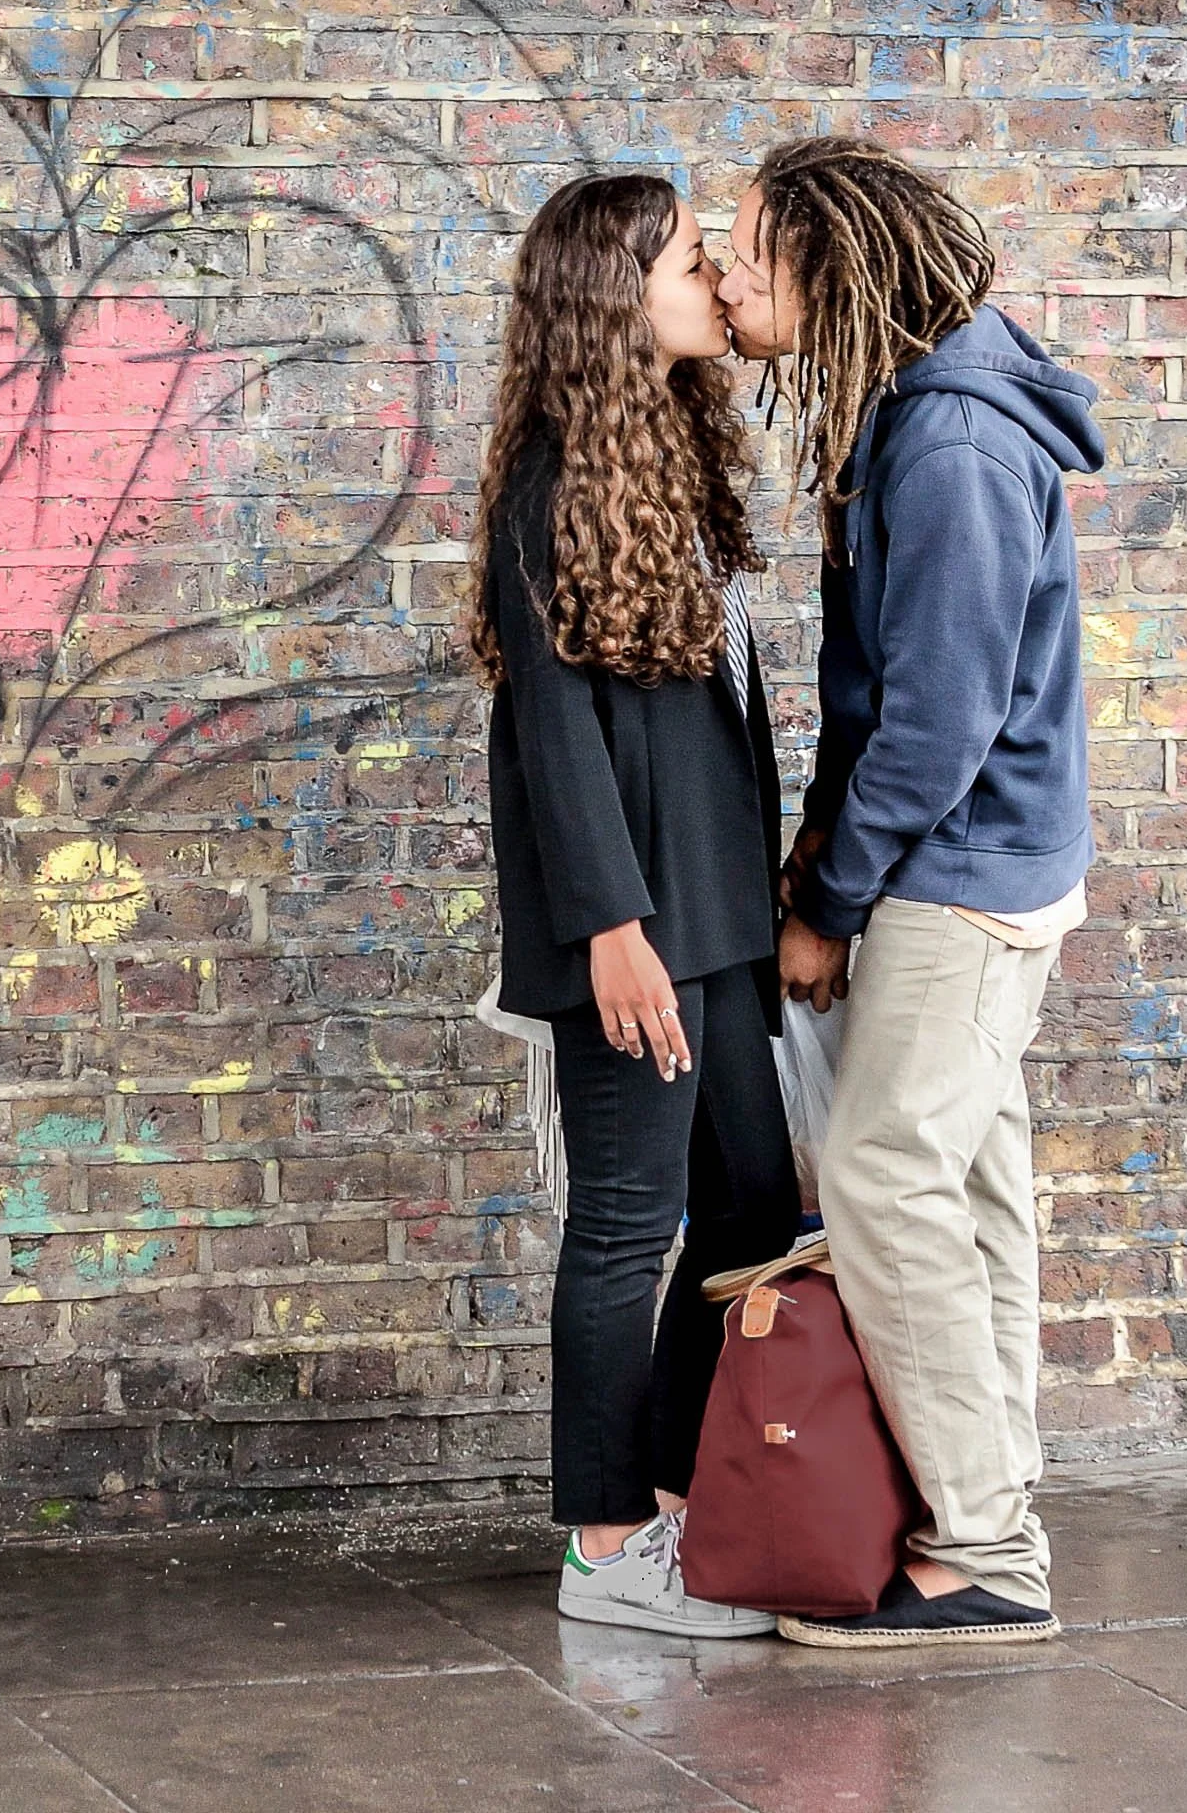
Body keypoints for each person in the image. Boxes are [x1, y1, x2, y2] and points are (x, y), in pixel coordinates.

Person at [716, 136, 1104, 1647]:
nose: (730, 272)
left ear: (834, 263)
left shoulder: (944, 445)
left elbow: (937, 721)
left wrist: (829, 899)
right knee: (969, 1186)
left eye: (752, 247)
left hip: (960, 880)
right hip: (978, 868)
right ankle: (992, 1514)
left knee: (883, 1177)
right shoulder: (918, 409)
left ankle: (988, 1553)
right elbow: (890, 697)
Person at [470, 174, 800, 1638]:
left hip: (718, 907)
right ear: (616, 295)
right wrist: (611, 929)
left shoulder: (670, 449)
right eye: (684, 264)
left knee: (749, 1210)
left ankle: (669, 1498)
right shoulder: (552, 479)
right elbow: (553, 729)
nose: (712, 283)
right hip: (635, 926)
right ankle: (605, 1547)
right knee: (624, 1226)